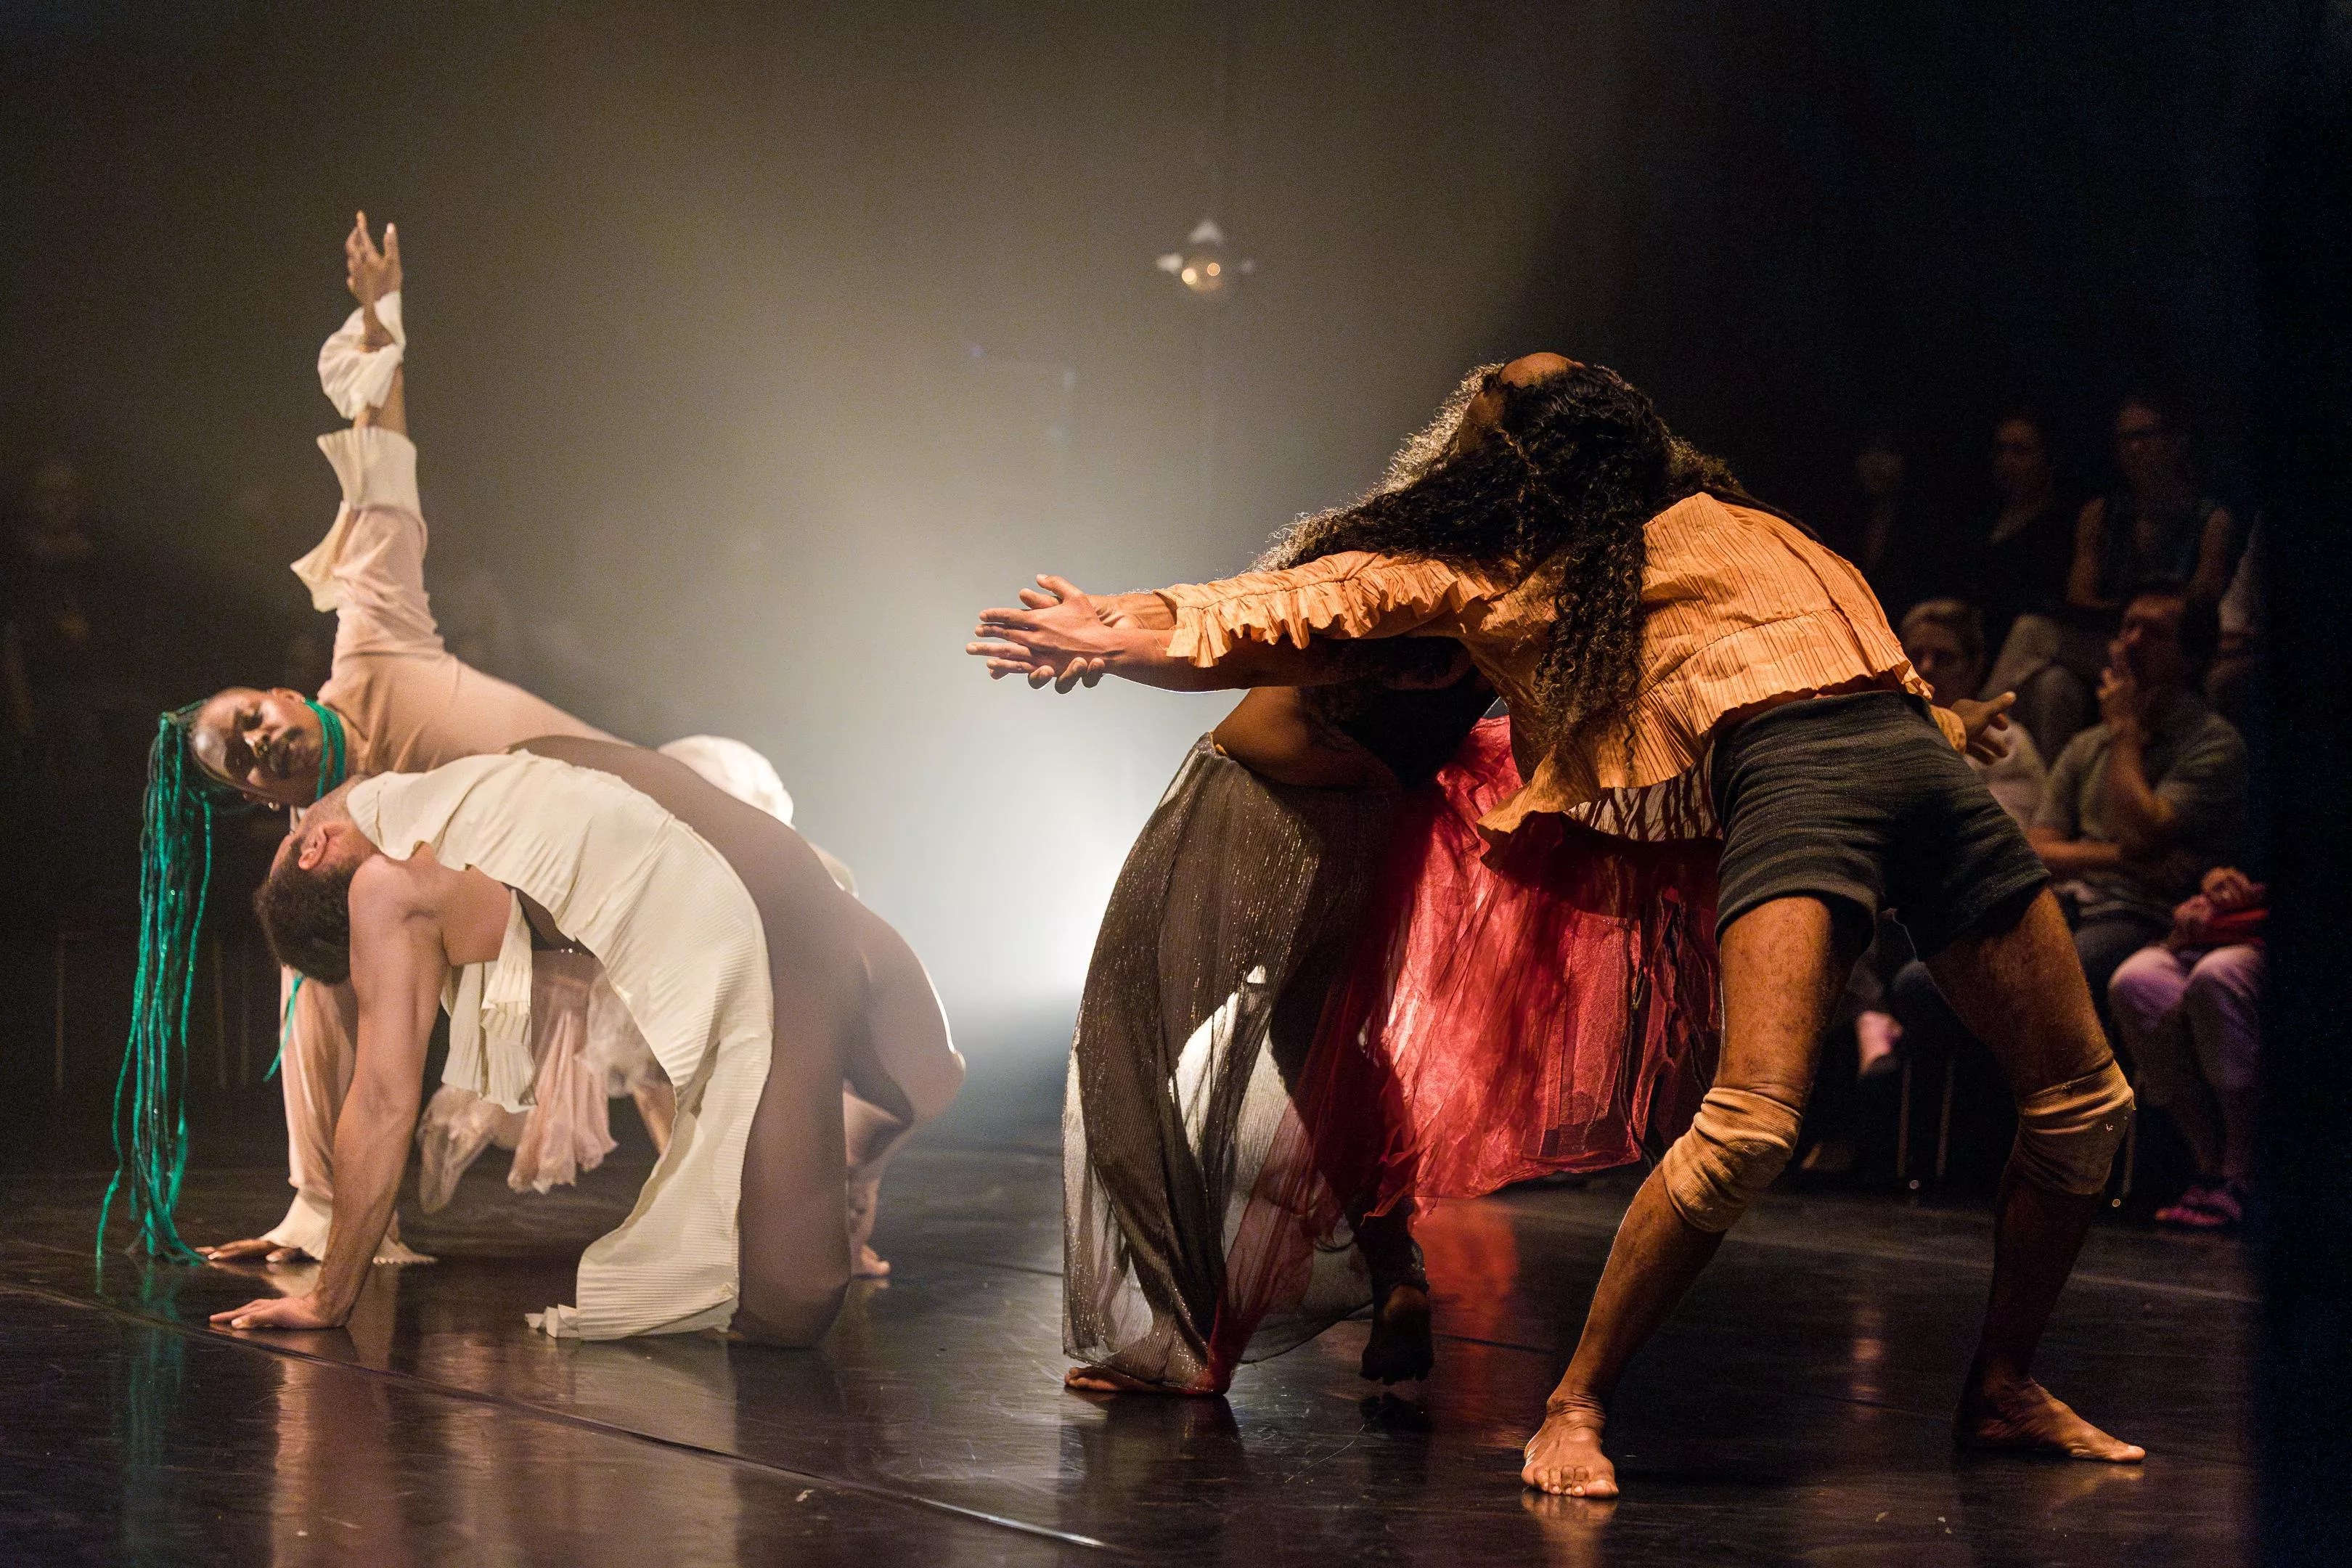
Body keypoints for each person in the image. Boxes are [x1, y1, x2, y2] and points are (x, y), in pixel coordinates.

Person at [970, 354, 2142, 1495]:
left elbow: (1837, 650)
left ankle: (2003, 1387)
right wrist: (1124, 625)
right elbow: (1306, 604)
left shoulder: (1735, 520)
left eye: (1495, 406)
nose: (1473, 413)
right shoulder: (1503, 571)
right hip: (1788, 777)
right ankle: (1573, 1402)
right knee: (1745, 1126)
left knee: (2088, 1107)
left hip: (1918, 763)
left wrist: (1950, 719)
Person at [105, 216, 869, 1272]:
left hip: (654, 833)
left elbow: (380, 481)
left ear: (279, 693)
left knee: (787, 1015)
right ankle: (329, 1210)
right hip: (538, 929)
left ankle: (805, 1201)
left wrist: (379, 321)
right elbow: (332, 1013)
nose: (260, 745)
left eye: (251, 721)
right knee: (317, 973)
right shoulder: (325, 847)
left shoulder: (374, 645)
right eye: (241, 762)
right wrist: (320, 1206)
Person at [212, 740, 962, 1341]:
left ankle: (815, 1154)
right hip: (789, 931)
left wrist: (328, 1297)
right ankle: (805, 1161)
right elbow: (380, 1102)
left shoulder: (487, 779)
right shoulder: (394, 878)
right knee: (794, 1303)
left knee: (928, 1082)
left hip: (799, 908)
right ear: (313, 849)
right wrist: (330, 1294)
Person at [2026, 581, 2247, 1002]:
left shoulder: (2214, 744)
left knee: (2052, 979)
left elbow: (2141, 831)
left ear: (2191, 659)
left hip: (2144, 913)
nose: (2132, 642)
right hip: (2068, 902)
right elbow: (2036, 850)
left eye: (2154, 633)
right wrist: (2127, 861)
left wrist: (2126, 731)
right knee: (1930, 979)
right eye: (2128, 627)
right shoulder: (2087, 743)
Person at [2107, 867, 2264, 1229]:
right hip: (2215, 933)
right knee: (2136, 982)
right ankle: (2207, 1161)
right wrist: (2213, 893)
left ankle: (2240, 1170)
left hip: (2259, 939)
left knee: (2217, 975)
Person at [1970, 415, 2074, 659]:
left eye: (2020, 452)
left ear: (2049, 459)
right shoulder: (1981, 519)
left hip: (2027, 646)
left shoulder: (2061, 525)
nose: (2007, 461)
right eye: (2001, 451)